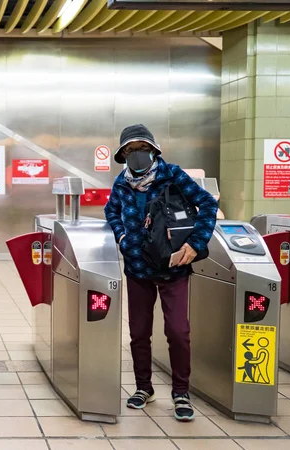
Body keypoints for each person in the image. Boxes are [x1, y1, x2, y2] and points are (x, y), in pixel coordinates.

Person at [105, 124, 218, 422]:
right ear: (123, 156)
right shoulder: (121, 183)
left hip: (174, 267)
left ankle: (181, 392)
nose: (136, 155)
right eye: (129, 151)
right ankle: (144, 387)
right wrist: (121, 238)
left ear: (154, 150)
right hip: (138, 269)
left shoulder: (174, 175)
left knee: (178, 332)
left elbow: (207, 203)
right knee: (138, 333)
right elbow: (111, 212)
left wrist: (196, 244)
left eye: (141, 148)